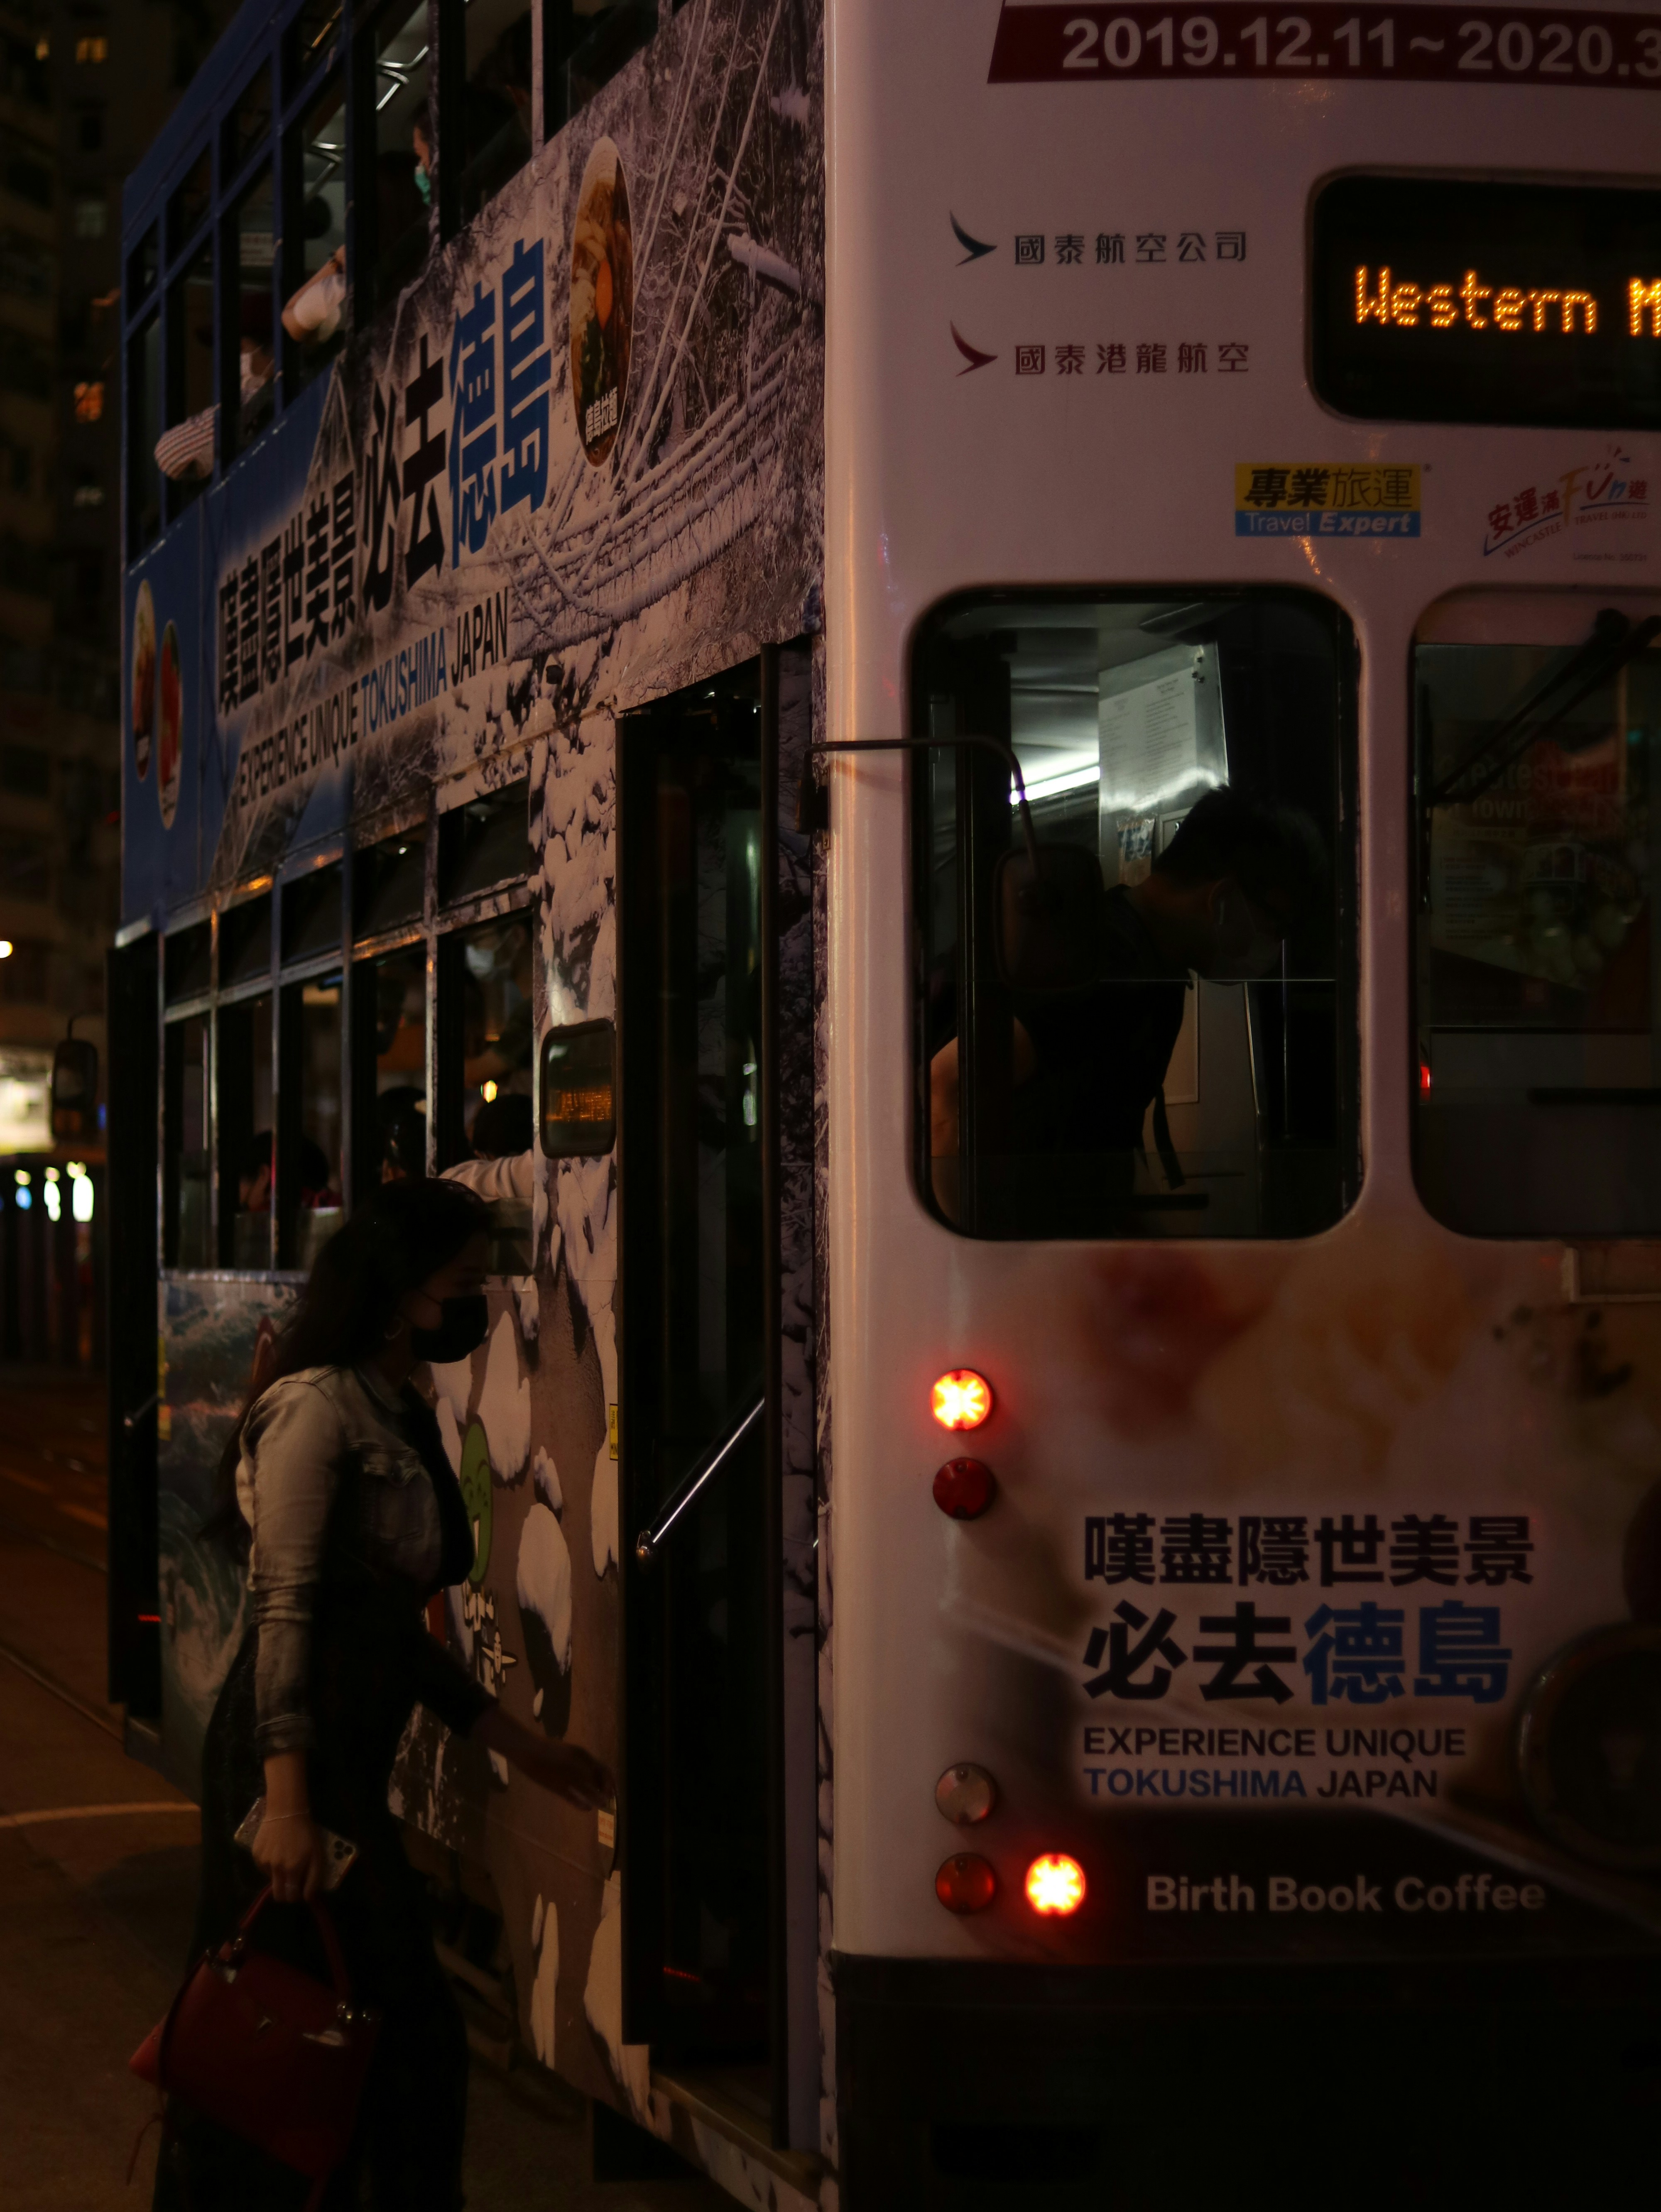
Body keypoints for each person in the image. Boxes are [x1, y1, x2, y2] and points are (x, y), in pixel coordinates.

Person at [153, 1178, 610, 2210]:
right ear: (404, 1289)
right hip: (290, 1760)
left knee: (340, 2036)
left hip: (343, 1754)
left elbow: (388, 1633)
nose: (481, 1300)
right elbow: (286, 1614)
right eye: (462, 1280)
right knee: (334, 2036)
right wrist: (286, 1803)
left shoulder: (391, 1403)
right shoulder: (316, 1411)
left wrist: (521, 1742)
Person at [930, 786, 1325, 1223]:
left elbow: (1111, 1139)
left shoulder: (1158, 972)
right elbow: (948, 1089)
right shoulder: (1108, 963)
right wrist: (979, 1259)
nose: (1273, 947)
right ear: (1224, 898)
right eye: (1275, 926)